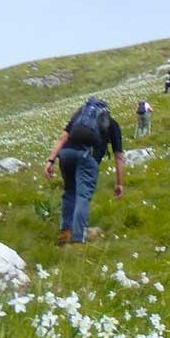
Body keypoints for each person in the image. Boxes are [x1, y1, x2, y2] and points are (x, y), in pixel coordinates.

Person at [42, 98, 123, 246]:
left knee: (69, 192)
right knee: (82, 196)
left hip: (66, 155)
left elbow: (62, 138)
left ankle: (64, 233)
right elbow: (118, 157)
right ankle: (78, 240)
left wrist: (50, 160)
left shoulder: (79, 116)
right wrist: (119, 184)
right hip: (87, 157)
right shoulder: (111, 123)